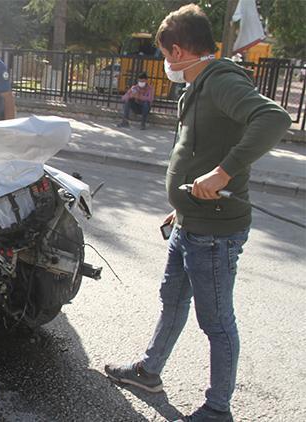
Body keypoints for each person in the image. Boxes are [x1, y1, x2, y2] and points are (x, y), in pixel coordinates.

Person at [103, 4, 291, 422]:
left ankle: (218, 409)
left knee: (217, 322)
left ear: (178, 49)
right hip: (189, 223)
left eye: (166, 54)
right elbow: (195, 150)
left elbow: (274, 118)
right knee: (172, 301)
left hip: (215, 231)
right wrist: (179, 209)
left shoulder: (221, 79)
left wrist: (223, 173)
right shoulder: (198, 84)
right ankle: (149, 372)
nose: (165, 64)